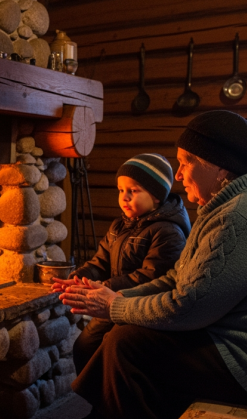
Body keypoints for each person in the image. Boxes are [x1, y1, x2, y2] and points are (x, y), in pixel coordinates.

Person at [54, 110, 247, 419]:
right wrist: (114, 298)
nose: (179, 174)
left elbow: (187, 307)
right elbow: (177, 278)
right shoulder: (224, 206)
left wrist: (115, 307)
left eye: (186, 162)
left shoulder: (239, 216)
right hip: (244, 341)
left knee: (127, 344)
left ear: (218, 167)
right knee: (127, 335)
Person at [63, 153, 190, 374]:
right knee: (85, 347)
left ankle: (112, 402)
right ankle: (100, 401)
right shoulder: (120, 226)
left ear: (156, 195)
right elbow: (101, 260)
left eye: (133, 190)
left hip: (139, 310)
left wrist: (105, 287)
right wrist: (81, 276)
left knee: (113, 356)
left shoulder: (168, 231)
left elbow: (150, 276)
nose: (125, 197)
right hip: (111, 300)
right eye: (121, 190)